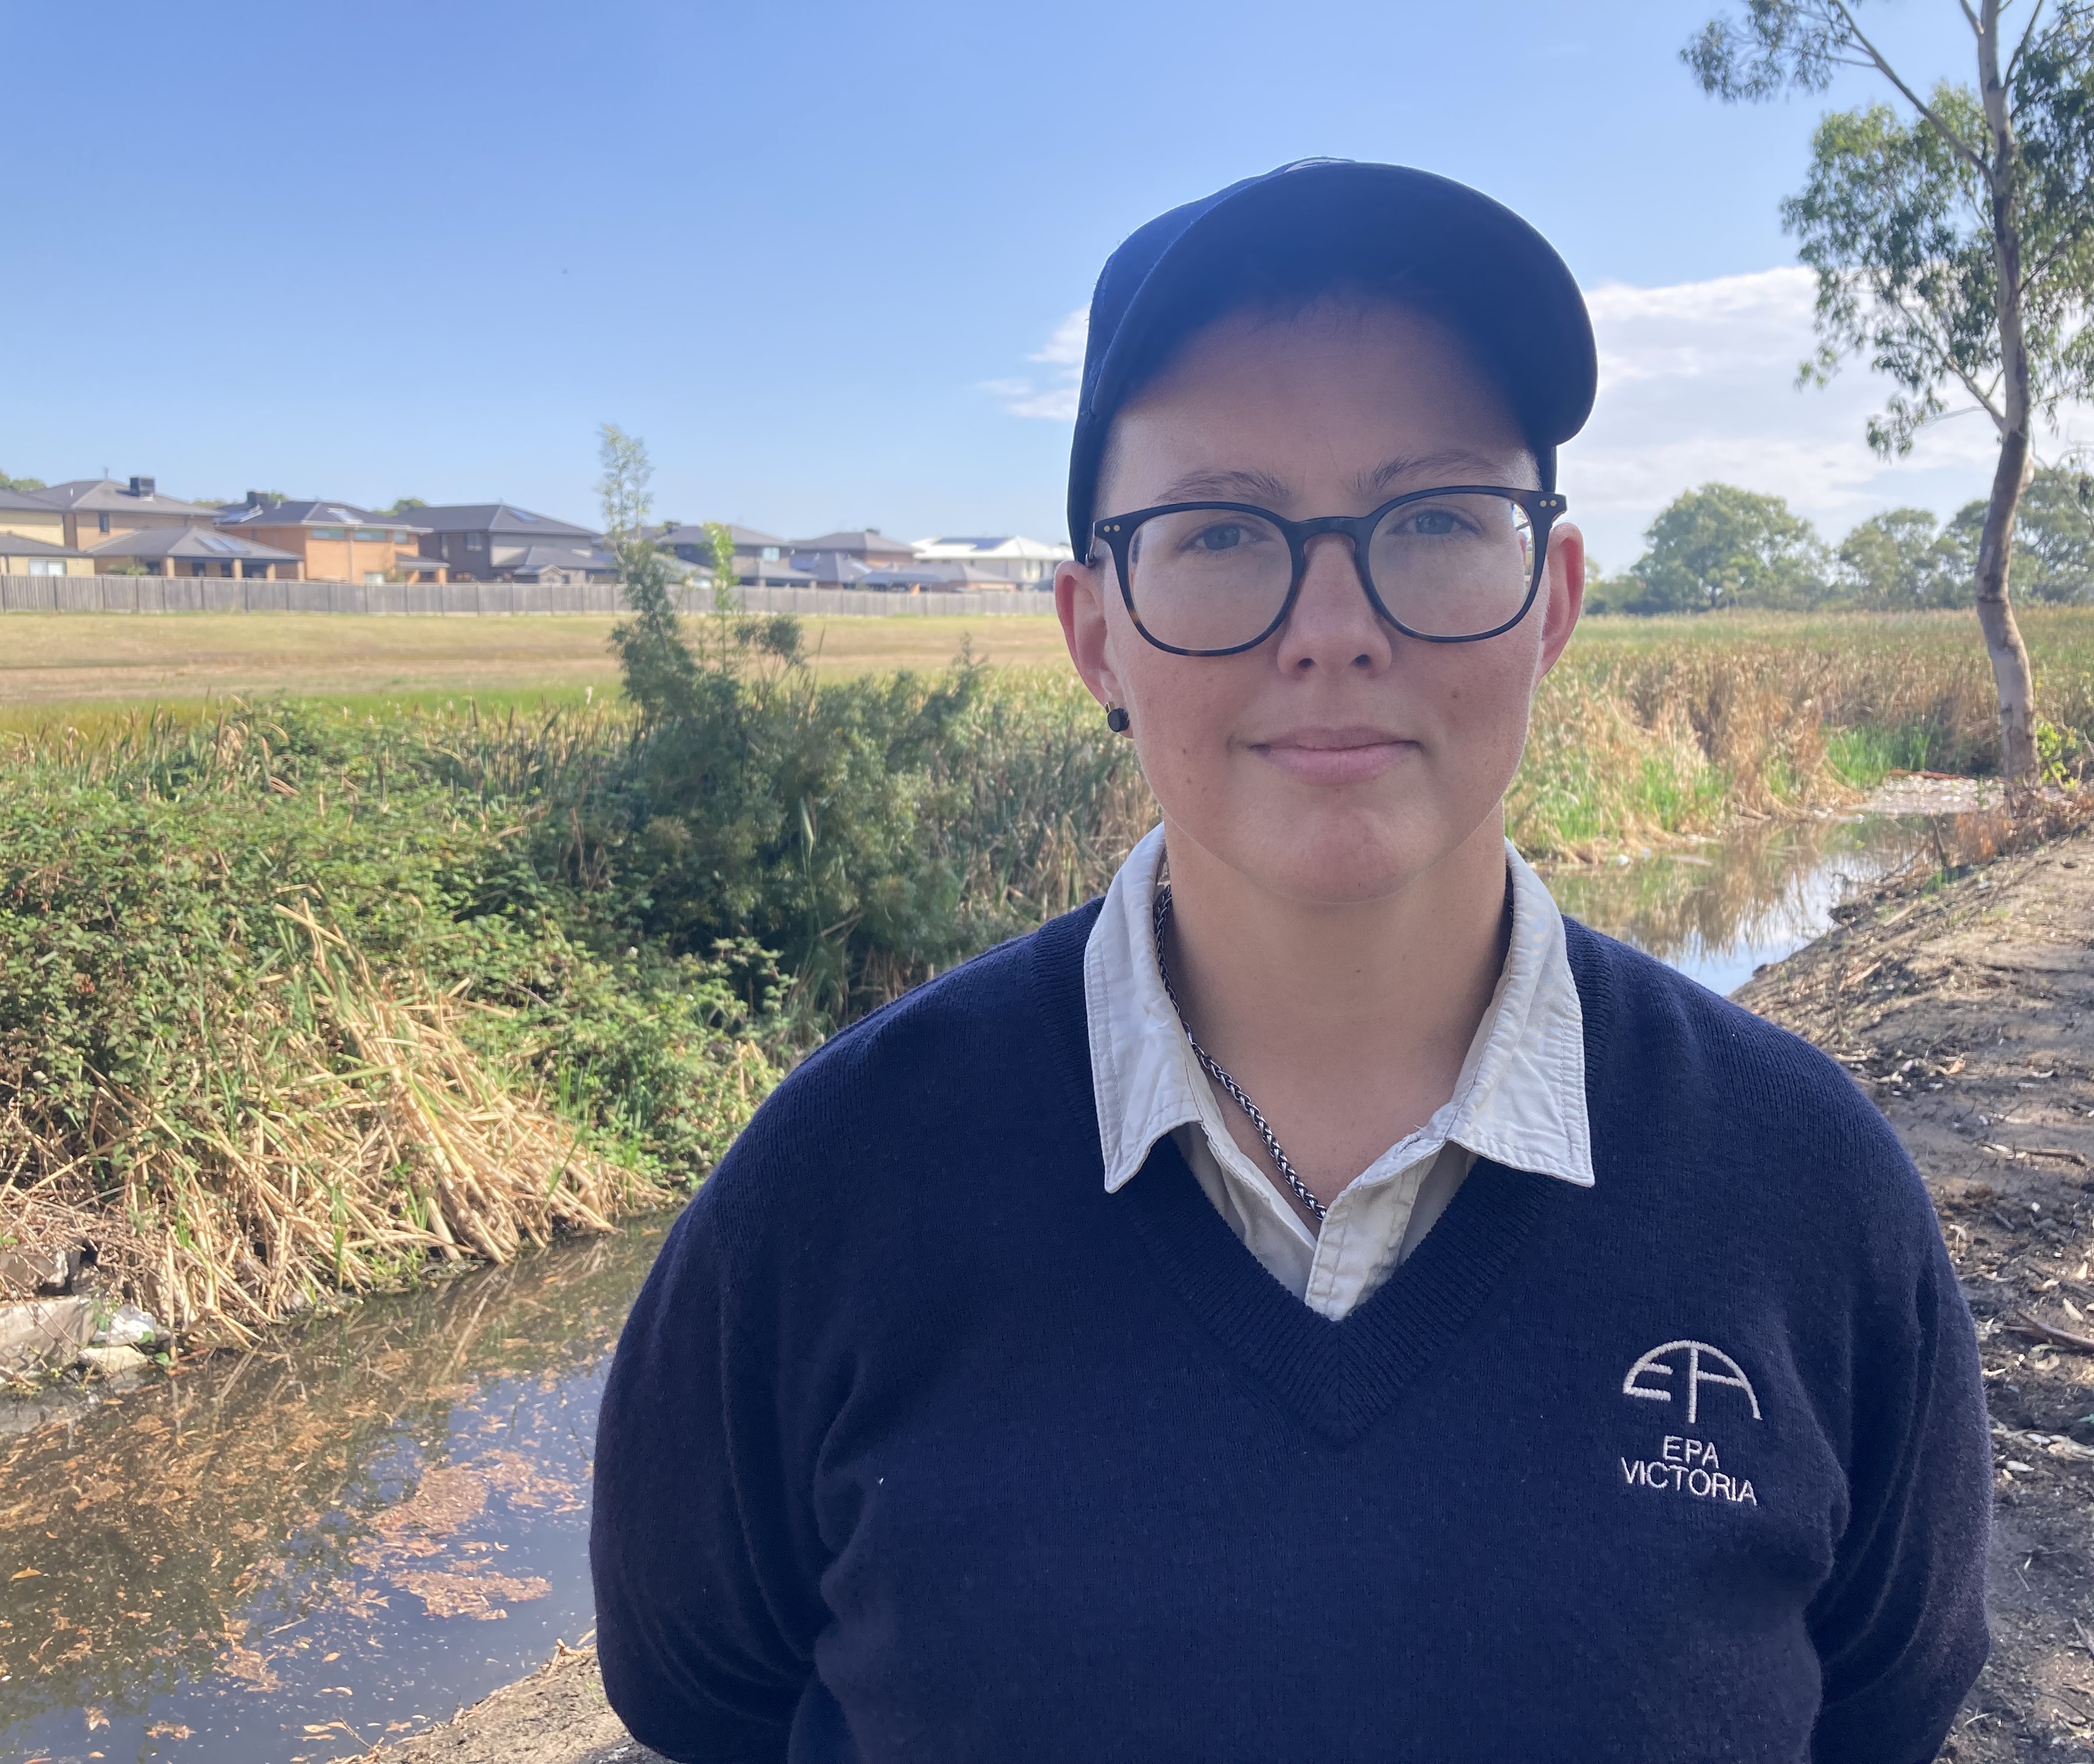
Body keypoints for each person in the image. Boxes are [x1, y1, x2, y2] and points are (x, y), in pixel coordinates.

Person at [591, 160, 1991, 1763]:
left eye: (1441, 519)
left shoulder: (1807, 1195)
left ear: (1553, 600)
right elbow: (705, 1696)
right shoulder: (831, 1190)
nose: (1333, 626)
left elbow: (1880, 1705)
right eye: (1220, 532)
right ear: (1093, 629)